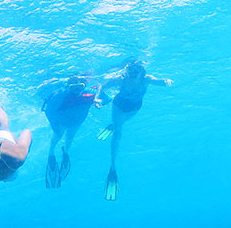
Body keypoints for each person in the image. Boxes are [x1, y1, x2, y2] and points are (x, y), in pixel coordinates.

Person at [96, 60, 171, 200]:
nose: (132, 74)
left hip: (134, 108)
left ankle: (114, 125)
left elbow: (158, 81)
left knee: (120, 124)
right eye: (130, 71)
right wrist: (97, 98)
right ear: (127, 71)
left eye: (136, 71)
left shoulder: (146, 80)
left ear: (141, 72)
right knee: (118, 133)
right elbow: (102, 86)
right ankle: (113, 165)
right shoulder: (120, 80)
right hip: (119, 105)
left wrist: (165, 81)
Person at [41, 74, 103, 188]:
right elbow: (49, 111)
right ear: (68, 87)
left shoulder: (90, 93)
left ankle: (66, 152)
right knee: (57, 136)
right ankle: (51, 152)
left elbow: (100, 86)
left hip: (77, 121)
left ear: (84, 86)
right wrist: (55, 126)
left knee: (70, 137)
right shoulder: (61, 96)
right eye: (73, 88)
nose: (77, 91)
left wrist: (96, 100)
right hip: (62, 121)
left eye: (80, 88)